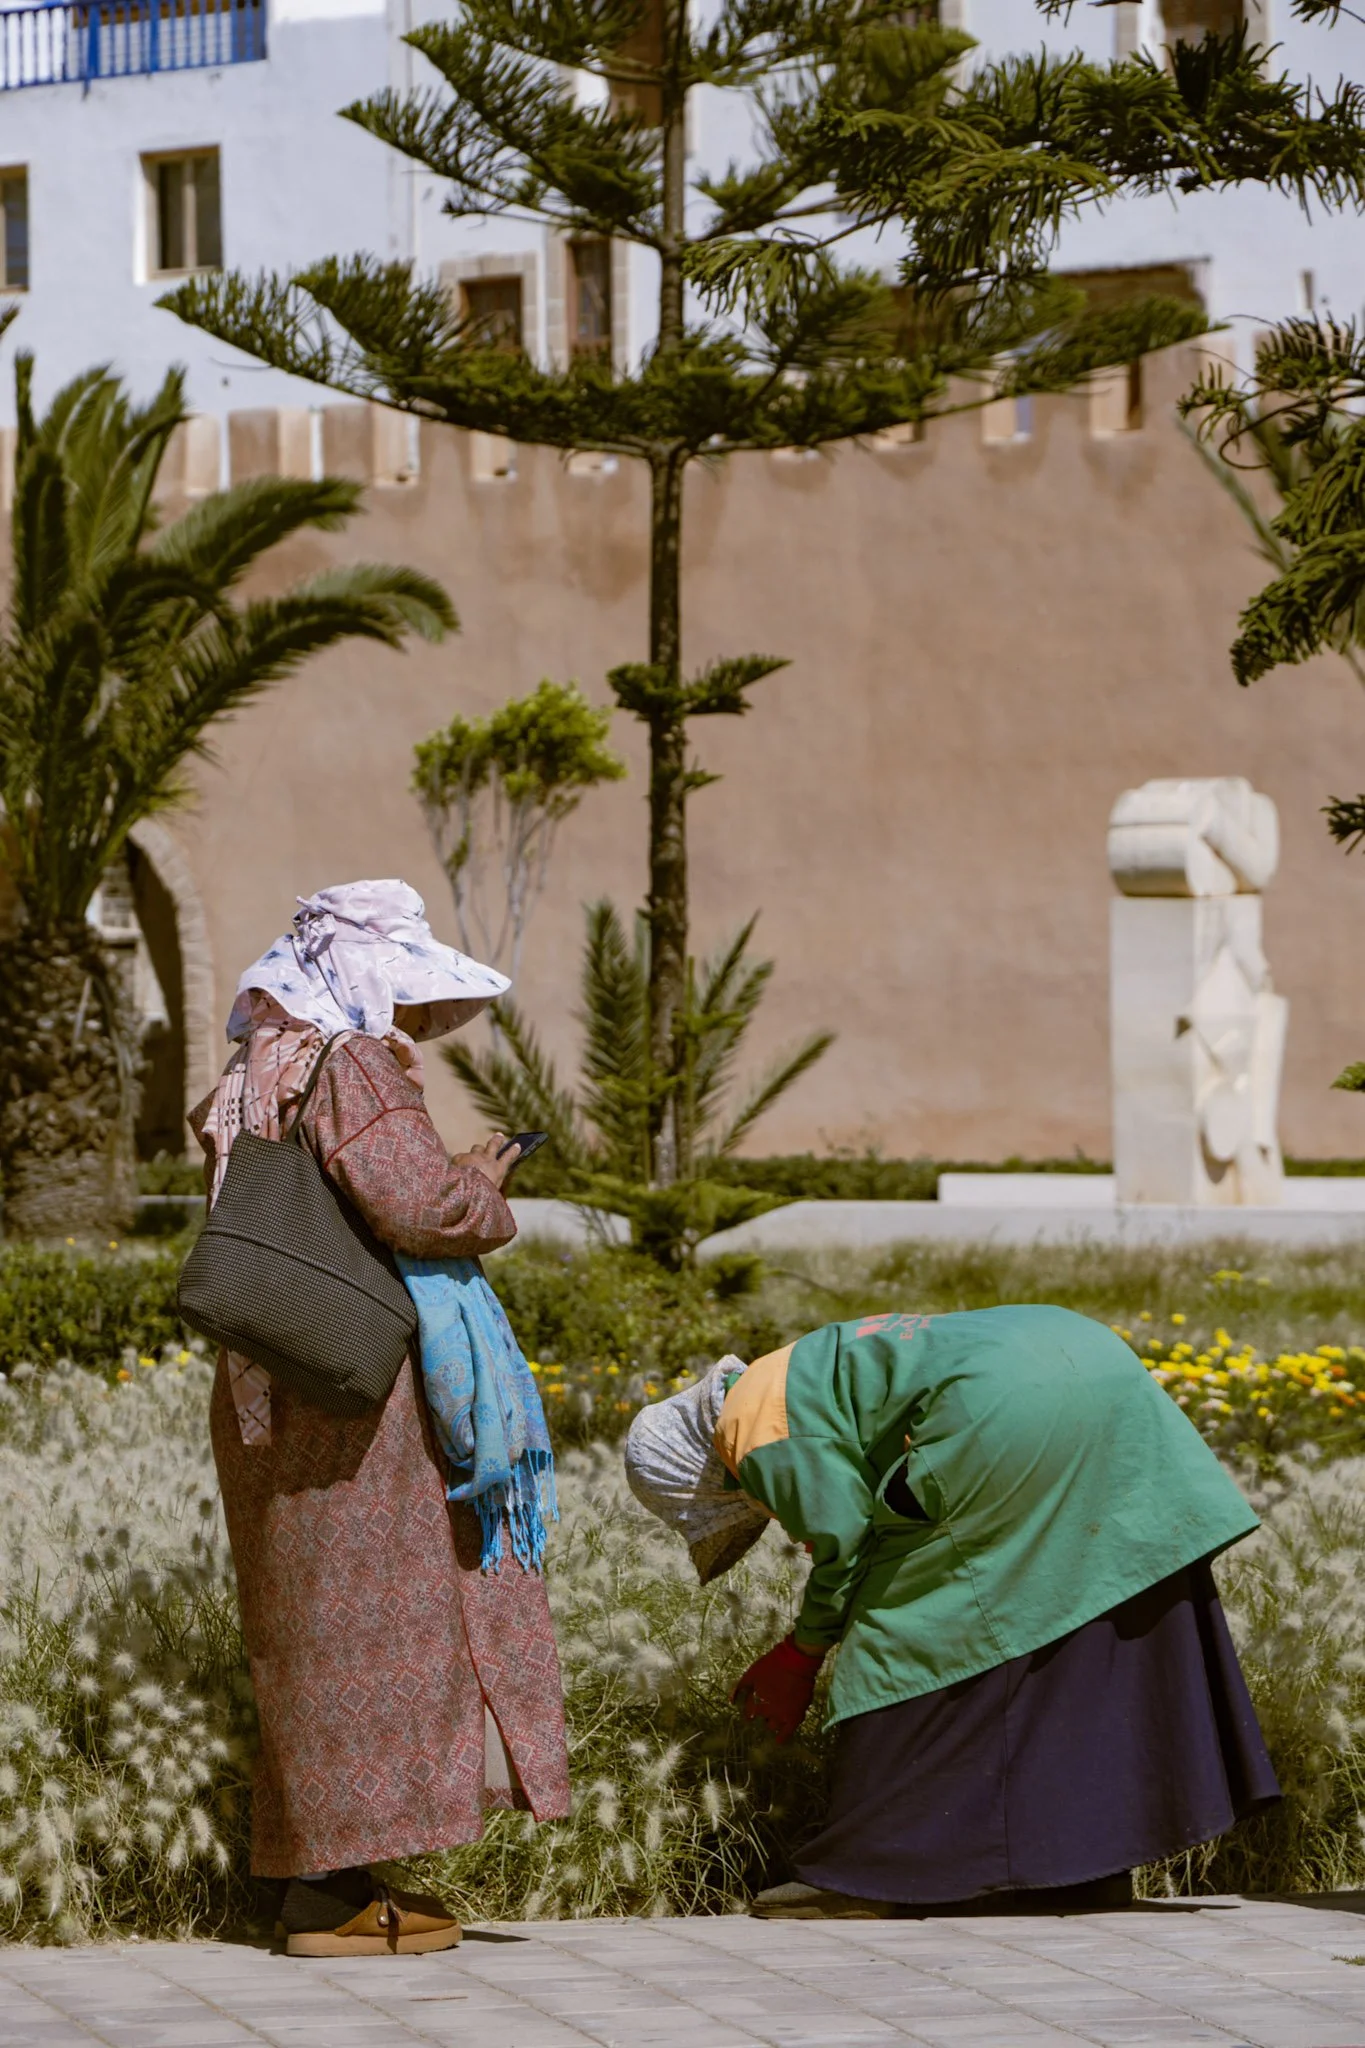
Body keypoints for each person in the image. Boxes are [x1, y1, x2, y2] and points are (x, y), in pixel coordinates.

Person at [191, 880, 569, 1957]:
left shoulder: (250, 1071)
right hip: (359, 1398)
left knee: (310, 1633)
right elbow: (417, 1204)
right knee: (392, 1623)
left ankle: (325, 1878)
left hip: (273, 1384)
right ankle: (334, 1892)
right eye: (400, 992)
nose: (406, 1018)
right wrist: (482, 1183)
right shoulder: (346, 1062)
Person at [624, 1305, 1279, 1918]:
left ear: (701, 1477)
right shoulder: (792, 1367)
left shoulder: (748, 1427)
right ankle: (1080, 1868)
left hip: (1002, 1408)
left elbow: (843, 1543)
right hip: (1091, 1356)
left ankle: (873, 1870)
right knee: (1083, 1598)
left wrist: (801, 1654)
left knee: (901, 1623)